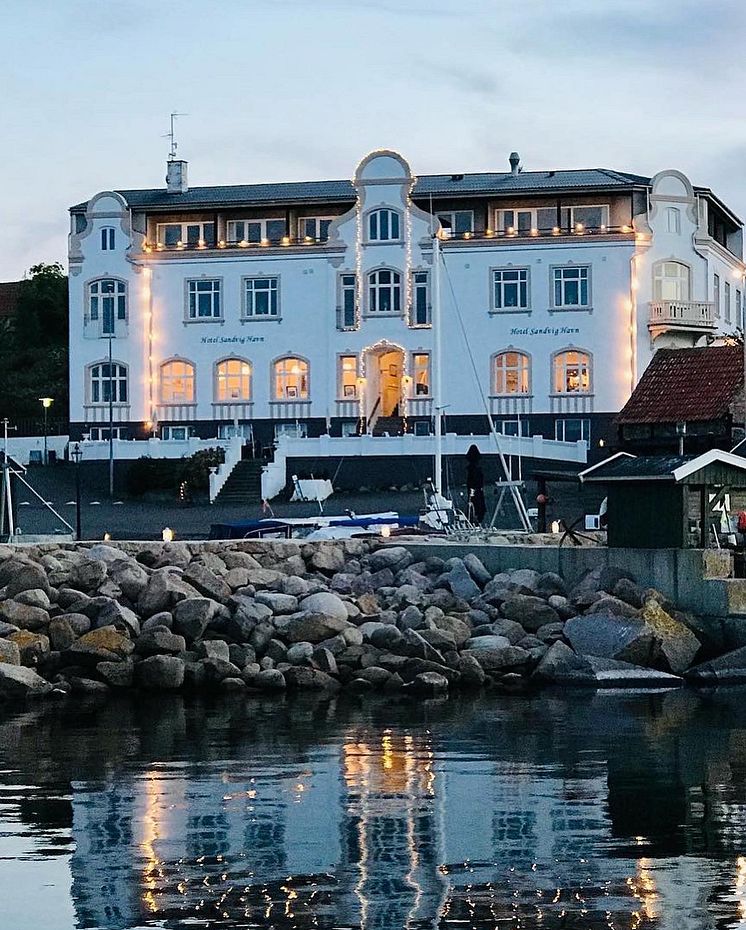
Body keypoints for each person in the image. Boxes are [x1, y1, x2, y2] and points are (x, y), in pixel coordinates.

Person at [465, 444, 486, 524]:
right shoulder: (477, 469)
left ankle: (475, 520)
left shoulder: (471, 469)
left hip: (474, 491)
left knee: (474, 506)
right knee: (477, 507)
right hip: (476, 491)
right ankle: (476, 521)